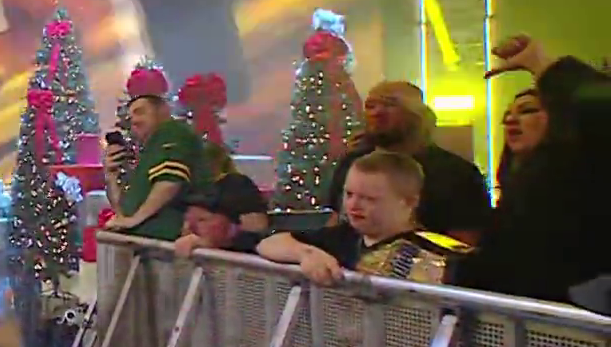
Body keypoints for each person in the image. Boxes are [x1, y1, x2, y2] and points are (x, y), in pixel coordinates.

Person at [457, 35, 609, 305]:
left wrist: (540, 63)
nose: (511, 120)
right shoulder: (517, 188)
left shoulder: (583, 177)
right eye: (507, 115)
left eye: (527, 110)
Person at [253, 150, 468, 284]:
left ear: (409, 202)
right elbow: (267, 243)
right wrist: (305, 254)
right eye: (349, 194)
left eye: (369, 199)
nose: (353, 205)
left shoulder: (442, 255)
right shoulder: (342, 237)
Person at [321, 80, 490, 245]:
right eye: (371, 106)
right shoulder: (352, 163)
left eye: (390, 104)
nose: (377, 112)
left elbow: (465, 244)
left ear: (417, 114)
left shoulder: (456, 173)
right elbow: (336, 221)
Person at [104, 68, 205, 240]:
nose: (134, 121)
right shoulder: (149, 150)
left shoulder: (173, 132)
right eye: (130, 117)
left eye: (140, 112)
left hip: (167, 242)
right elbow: (124, 212)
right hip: (149, 243)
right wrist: (111, 176)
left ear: (162, 110)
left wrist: (135, 220)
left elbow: (170, 182)